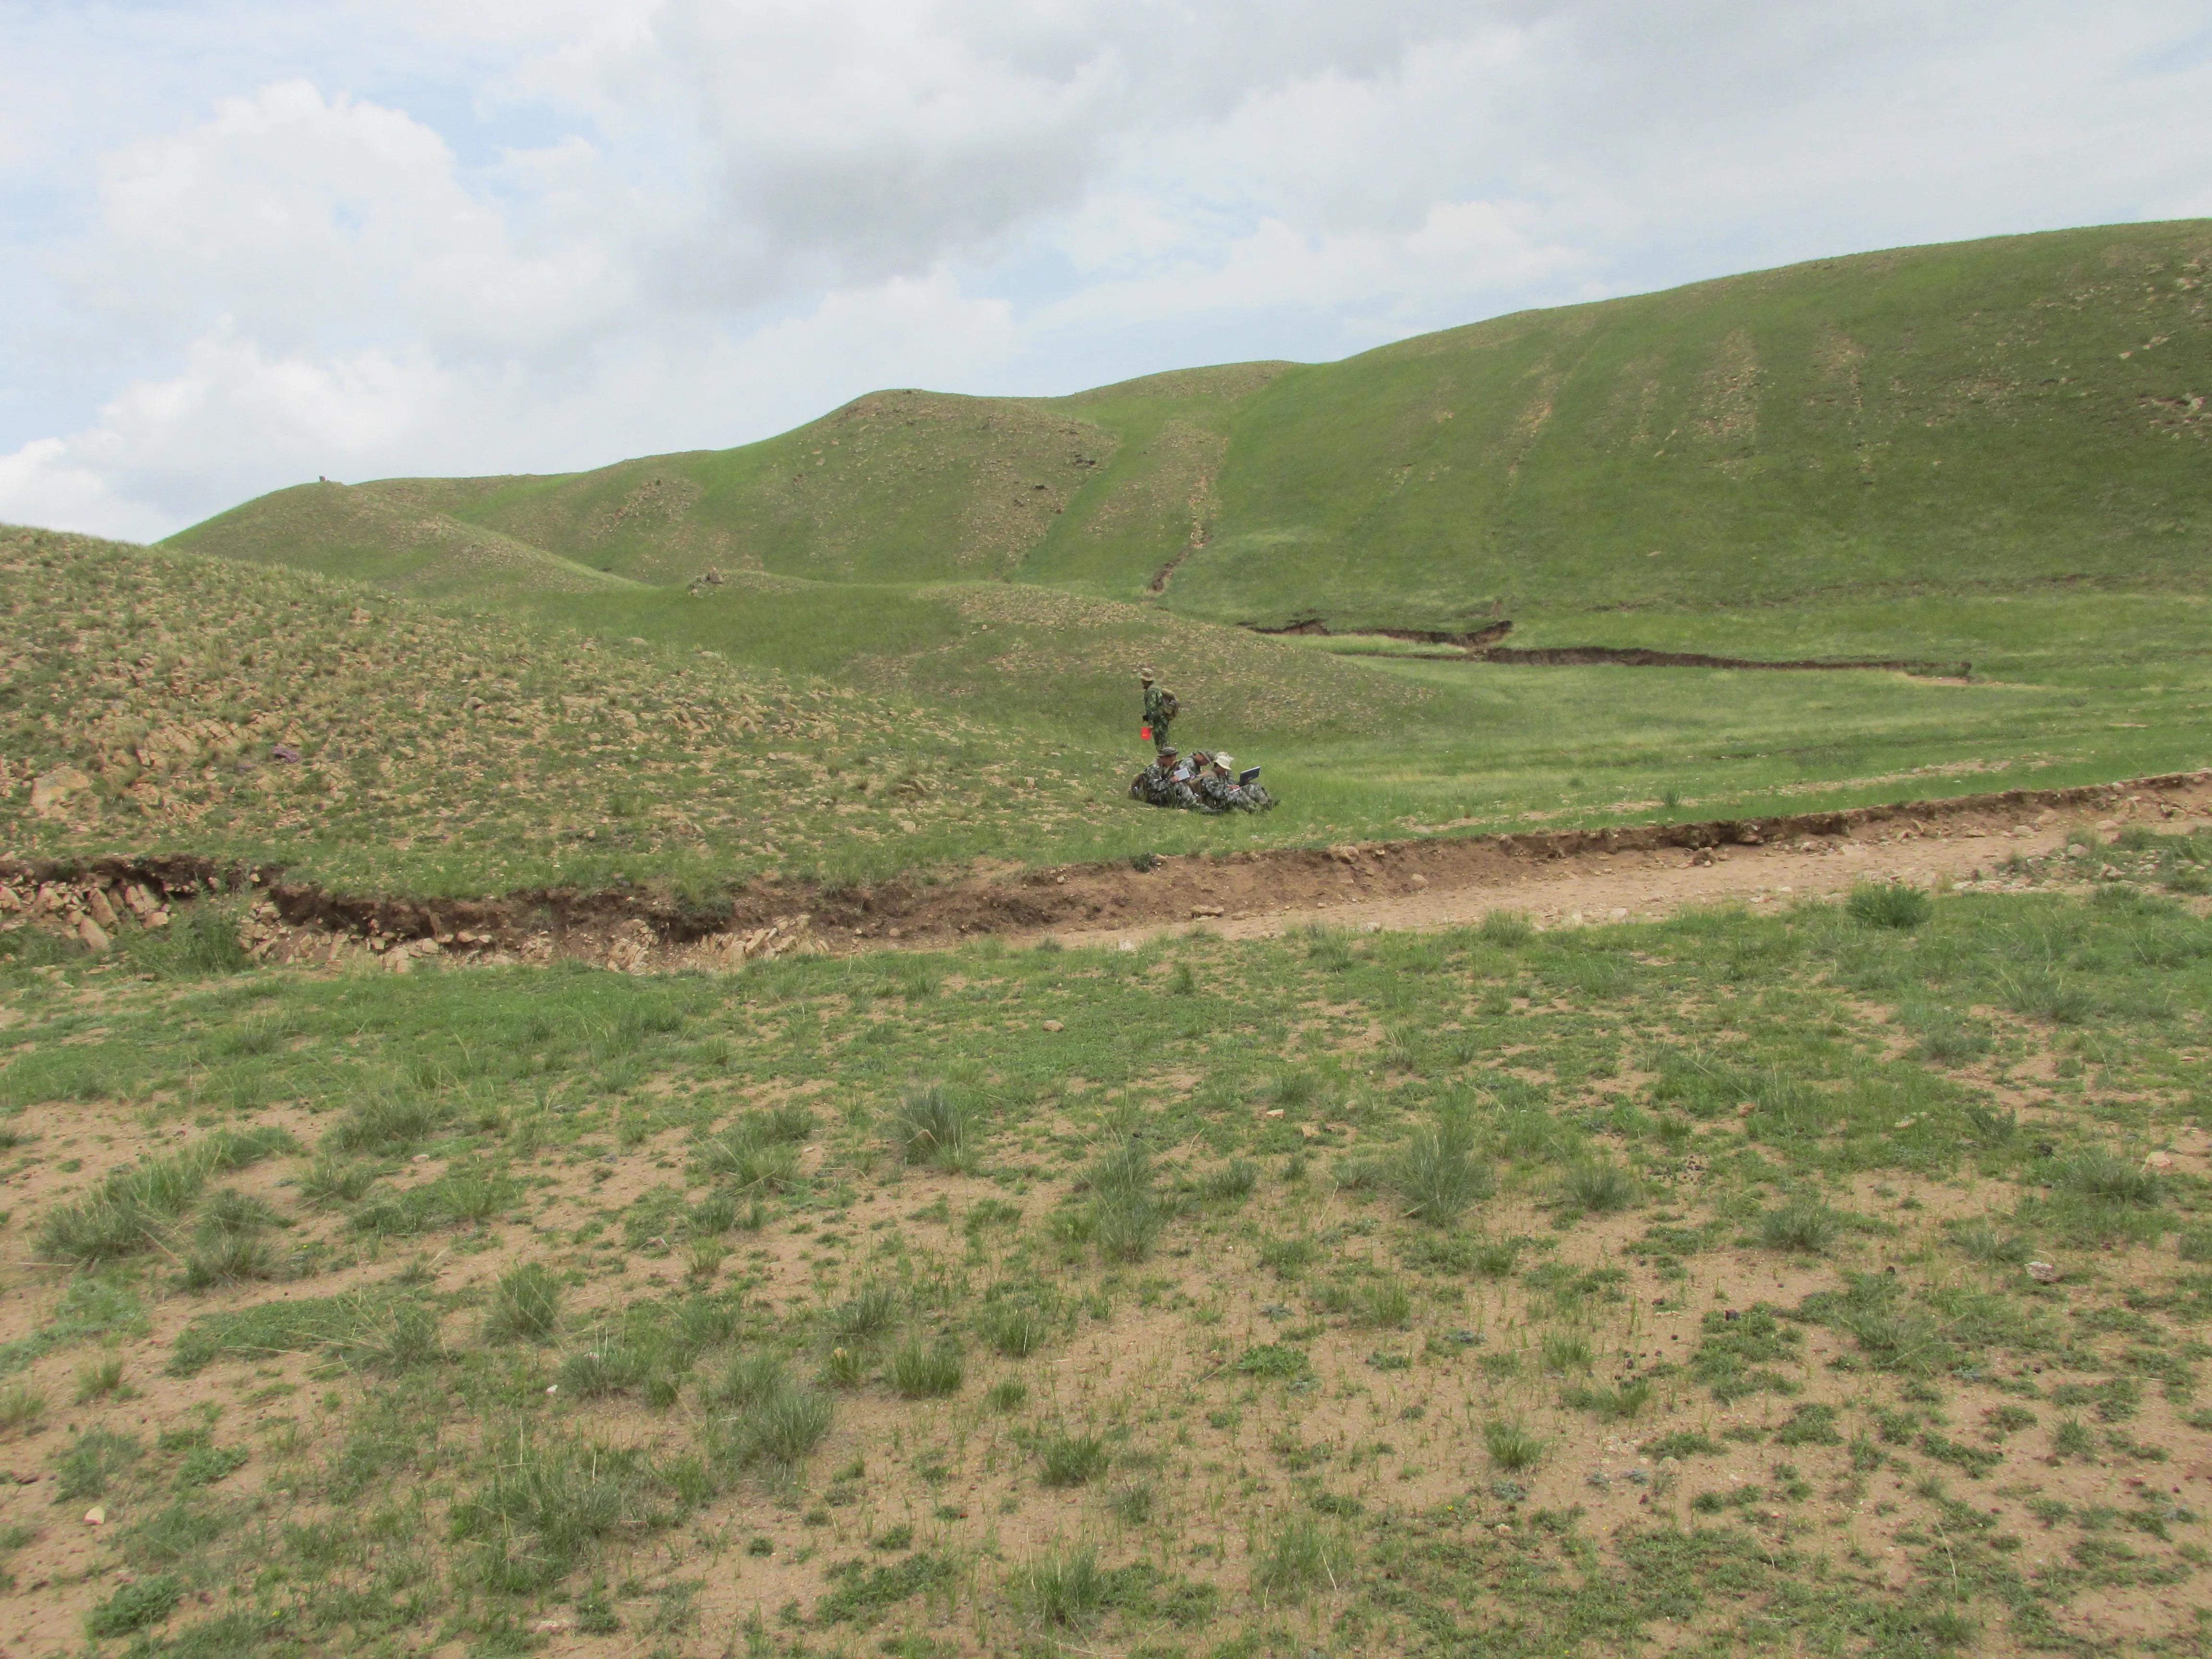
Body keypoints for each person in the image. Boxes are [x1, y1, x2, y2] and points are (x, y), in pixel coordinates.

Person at [1139, 667, 1178, 756]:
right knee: (1165, 742)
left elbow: (1152, 708)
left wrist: (1151, 724)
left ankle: (1166, 763)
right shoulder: (1157, 688)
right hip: (1162, 720)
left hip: (1158, 721)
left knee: (1161, 745)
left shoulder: (1151, 691)